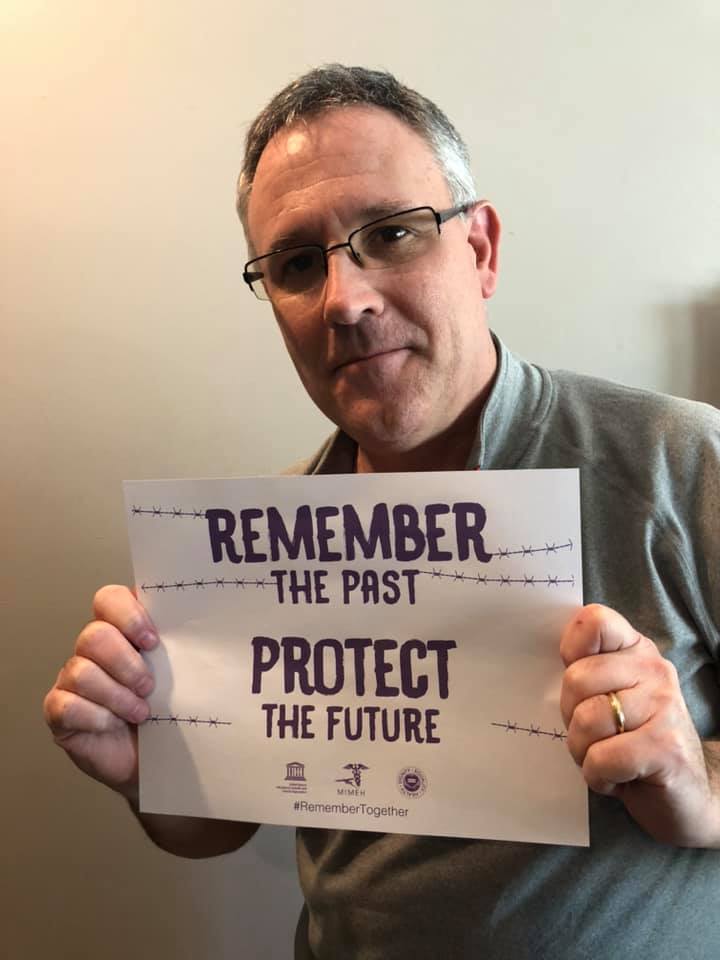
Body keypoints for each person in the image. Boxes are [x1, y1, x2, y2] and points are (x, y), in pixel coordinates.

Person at [44, 65, 720, 958]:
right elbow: (213, 829)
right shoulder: (257, 550)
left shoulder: (679, 460)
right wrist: (147, 776)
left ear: (480, 249)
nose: (345, 301)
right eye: (294, 264)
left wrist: (700, 787)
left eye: (393, 234)